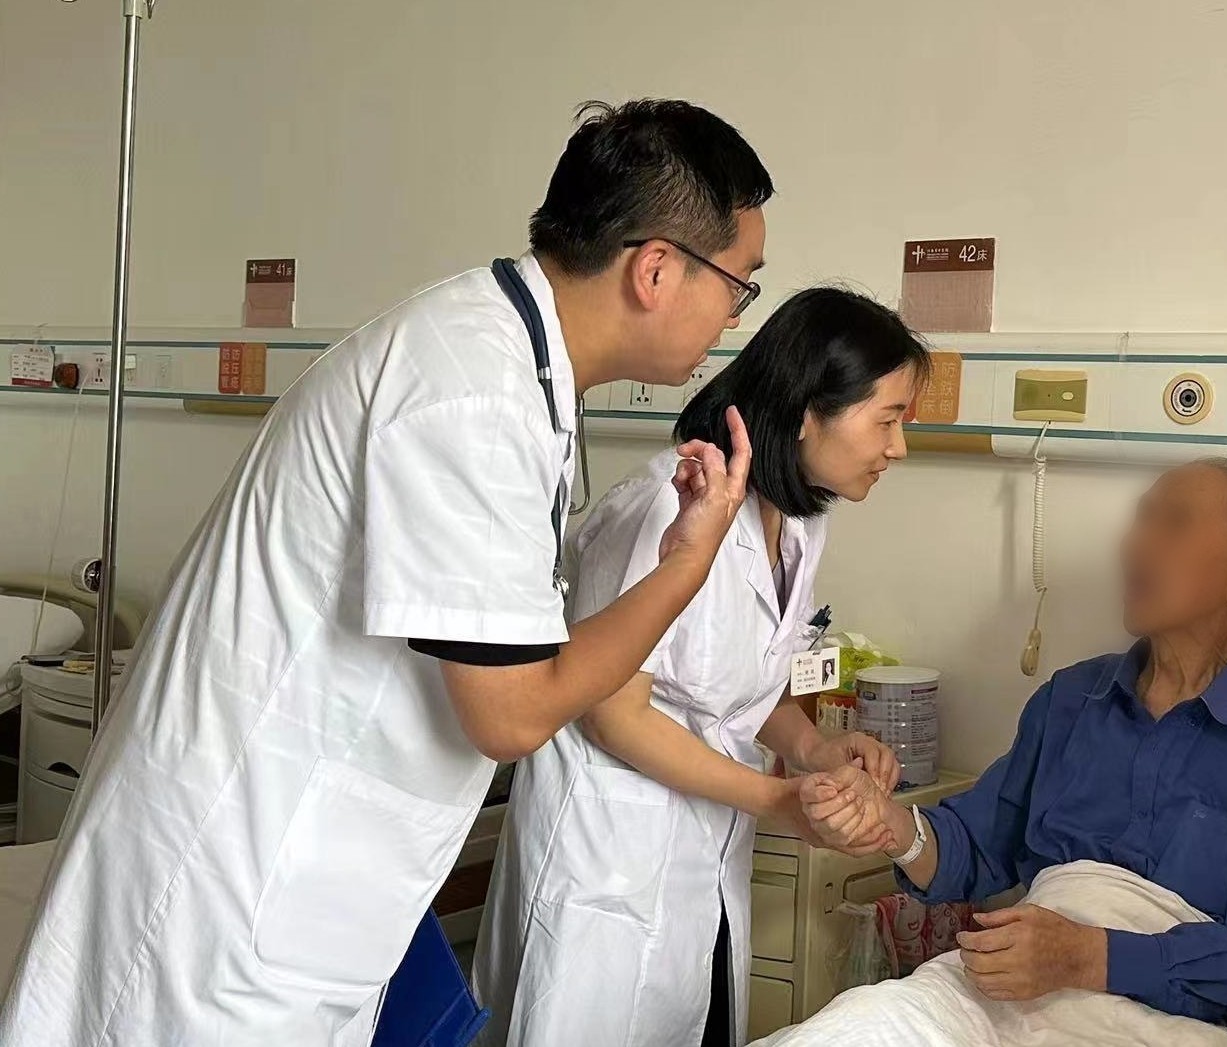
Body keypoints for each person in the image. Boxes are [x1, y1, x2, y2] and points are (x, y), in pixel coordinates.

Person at [1, 99, 773, 1047]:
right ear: (655, 269)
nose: (734, 316)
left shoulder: (510, 367)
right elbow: (511, 712)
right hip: (231, 896)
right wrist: (685, 564)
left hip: (302, 883)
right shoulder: (471, 388)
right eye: (739, 285)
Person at [473, 287, 931, 1047]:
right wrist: (776, 798)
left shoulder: (798, 522)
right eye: (886, 420)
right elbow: (611, 712)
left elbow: (742, 688)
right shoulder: (667, 504)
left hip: (706, 874)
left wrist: (814, 747)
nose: (898, 448)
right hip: (607, 868)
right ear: (807, 411)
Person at [806, 458, 1227, 1038]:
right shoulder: (1071, 700)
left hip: (1173, 1024)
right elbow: (976, 846)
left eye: (1175, 522)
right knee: (849, 1029)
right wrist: (892, 826)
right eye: (1143, 517)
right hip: (1001, 996)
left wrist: (1085, 957)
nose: (1136, 542)